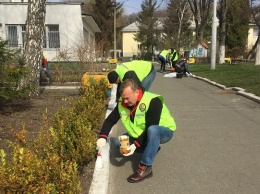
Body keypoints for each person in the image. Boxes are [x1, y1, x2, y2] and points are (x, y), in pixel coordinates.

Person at [96, 79, 176, 183]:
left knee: (152, 130)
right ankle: (151, 147)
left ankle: (146, 167)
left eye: (127, 98)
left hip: (163, 132)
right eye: (123, 98)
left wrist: (135, 145)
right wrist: (103, 136)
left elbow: (150, 127)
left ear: (137, 92)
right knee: (117, 143)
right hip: (141, 134)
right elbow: (110, 120)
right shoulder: (122, 103)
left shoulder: (153, 101)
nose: (124, 101)